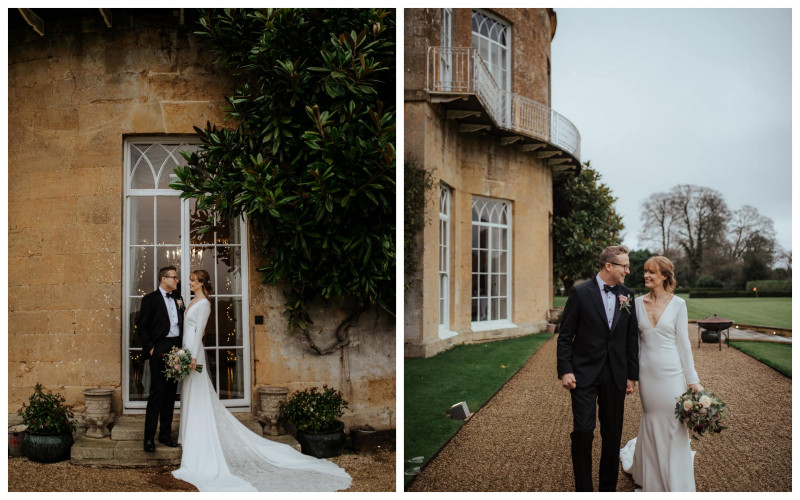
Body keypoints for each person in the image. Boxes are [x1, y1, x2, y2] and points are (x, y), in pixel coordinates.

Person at [171, 270, 352, 491]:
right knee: (189, 392)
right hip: (186, 349)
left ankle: (198, 438)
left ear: (201, 283)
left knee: (198, 394)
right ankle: (188, 436)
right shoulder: (191, 301)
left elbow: (200, 332)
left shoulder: (205, 304)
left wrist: (192, 358)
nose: (189, 282)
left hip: (193, 354)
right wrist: (182, 353)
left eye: (192, 280)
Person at [556, 245, 639, 492]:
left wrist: (631, 375)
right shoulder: (581, 293)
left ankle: (607, 490)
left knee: (612, 434)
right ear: (608, 266)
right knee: (583, 431)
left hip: (615, 374)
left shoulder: (628, 295)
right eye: (624, 266)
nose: (628, 270)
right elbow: (565, 336)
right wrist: (565, 370)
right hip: (583, 374)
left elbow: (630, 339)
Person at [619, 256, 702, 491]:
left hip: (672, 373)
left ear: (665, 276)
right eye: (645, 271)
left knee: (675, 423)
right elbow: (633, 345)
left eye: (652, 272)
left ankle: (675, 479)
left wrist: (693, 380)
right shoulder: (635, 304)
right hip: (648, 374)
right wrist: (631, 376)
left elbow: (684, 344)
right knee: (652, 419)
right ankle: (651, 477)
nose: (646, 275)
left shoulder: (678, 305)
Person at [136, 266, 184, 452]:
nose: (177, 281)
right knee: (157, 394)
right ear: (164, 279)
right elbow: (142, 326)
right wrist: (151, 349)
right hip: (159, 348)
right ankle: (149, 438)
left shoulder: (178, 298)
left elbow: (182, 323)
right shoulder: (150, 299)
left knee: (170, 395)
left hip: (176, 349)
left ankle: (165, 435)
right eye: (174, 278)